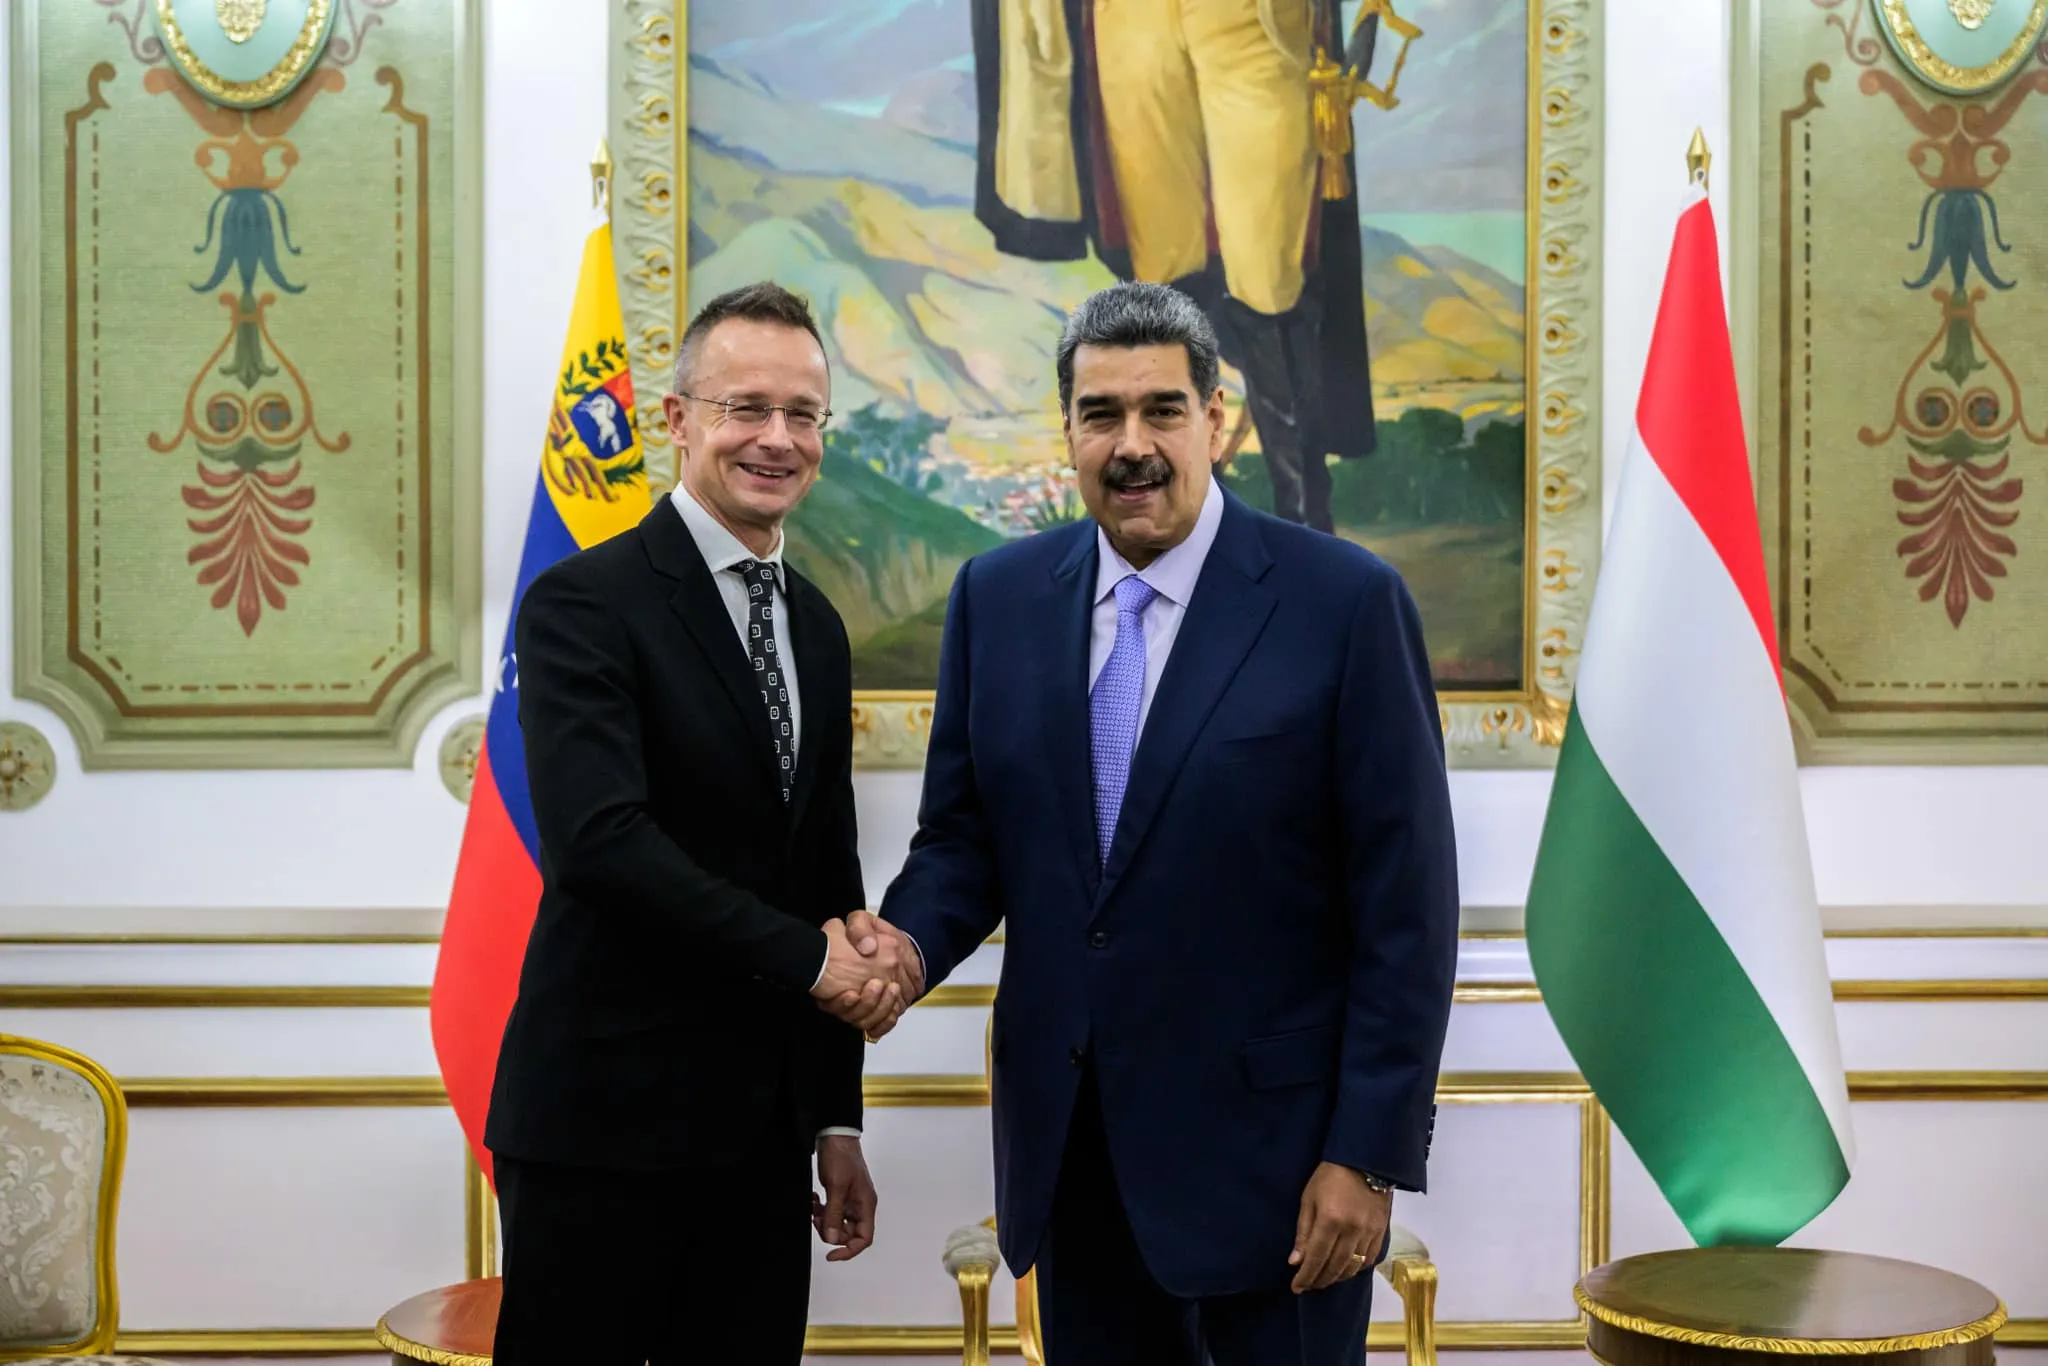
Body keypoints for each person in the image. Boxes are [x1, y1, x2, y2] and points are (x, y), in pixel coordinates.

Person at [843, 281, 1459, 1365]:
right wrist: (902, 951)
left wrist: (1367, 1154)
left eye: (1161, 409)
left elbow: (1406, 905)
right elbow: (965, 839)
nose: (1132, 444)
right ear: (1068, 430)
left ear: (1214, 419)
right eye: (1101, 414)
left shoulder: (1344, 602)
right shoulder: (996, 598)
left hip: (1279, 1180)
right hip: (1075, 1167)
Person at [484, 281, 922, 1366]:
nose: (777, 438)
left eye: (802, 414)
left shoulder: (815, 626)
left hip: (761, 1144)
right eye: (745, 407)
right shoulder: (583, 603)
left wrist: (834, 1119)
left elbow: (824, 876)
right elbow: (601, 844)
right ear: (677, 420)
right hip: (602, 1131)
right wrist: (812, 963)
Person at [969, 0, 1396, 532]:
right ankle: (1190, 534)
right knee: (1168, 285)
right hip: (1128, 24)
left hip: (1255, 19)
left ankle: (1307, 534)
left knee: (1271, 285)